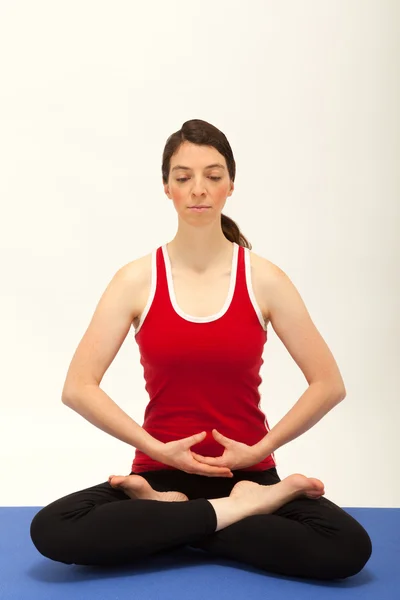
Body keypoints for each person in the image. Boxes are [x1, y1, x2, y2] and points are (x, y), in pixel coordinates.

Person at [30, 119, 372, 581]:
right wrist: (158, 451)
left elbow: (329, 384)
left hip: (247, 475)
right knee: (52, 530)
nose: (198, 189)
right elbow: (78, 387)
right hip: (157, 474)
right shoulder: (136, 279)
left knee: (348, 548)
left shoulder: (264, 278)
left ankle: (174, 520)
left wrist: (260, 450)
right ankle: (232, 513)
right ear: (166, 188)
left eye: (213, 176)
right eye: (183, 177)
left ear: (231, 184)